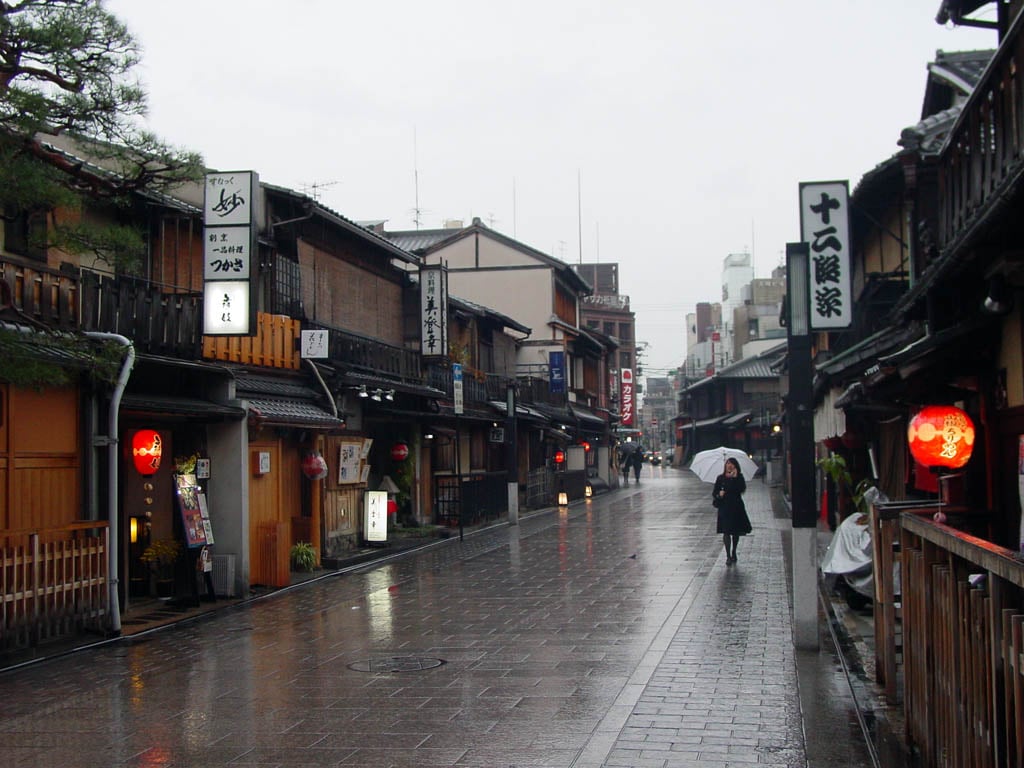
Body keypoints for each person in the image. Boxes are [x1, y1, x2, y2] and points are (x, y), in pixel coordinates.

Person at [712, 457, 752, 564]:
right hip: (724, 507)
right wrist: (718, 494)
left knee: (735, 531)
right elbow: (714, 492)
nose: (729, 465)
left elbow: (741, 489)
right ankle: (728, 556)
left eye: (732, 464)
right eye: (728, 463)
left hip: (736, 507)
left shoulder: (739, 477)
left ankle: (734, 551)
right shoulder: (720, 478)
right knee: (726, 531)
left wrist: (734, 478)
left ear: (735, 466)